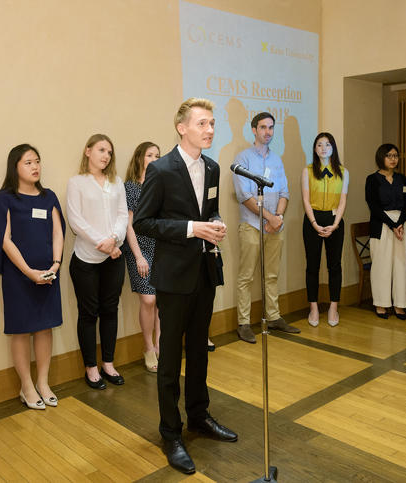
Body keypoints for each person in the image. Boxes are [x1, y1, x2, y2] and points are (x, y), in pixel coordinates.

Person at [134, 98, 237, 475]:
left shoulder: (212, 167)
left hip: (205, 272)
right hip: (174, 276)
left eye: (212, 124)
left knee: (199, 350)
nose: (210, 130)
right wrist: (192, 229)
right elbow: (143, 223)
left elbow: (209, 210)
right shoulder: (160, 169)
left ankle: (199, 416)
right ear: (182, 128)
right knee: (169, 359)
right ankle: (170, 432)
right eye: (202, 124)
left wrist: (216, 222)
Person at [0, 144, 65, 409]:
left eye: (37, 161)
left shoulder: (48, 196)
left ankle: (43, 382)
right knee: (21, 330)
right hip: (19, 276)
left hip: (48, 273)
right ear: (15, 167)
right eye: (28, 162)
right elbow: (5, 239)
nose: (35, 167)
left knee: (45, 327)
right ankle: (26, 386)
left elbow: (58, 232)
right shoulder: (5, 198)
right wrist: (28, 272)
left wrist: (55, 265)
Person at [67, 134, 128, 389]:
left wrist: (113, 240)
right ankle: (91, 367)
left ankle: (108, 364)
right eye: (101, 150)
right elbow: (75, 220)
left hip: (114, 257)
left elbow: (123, 215)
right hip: (86, 260)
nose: (106, 156)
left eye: (109, 152)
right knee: (88, 313)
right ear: (88, 151)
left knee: (110, 311)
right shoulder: (76, 183)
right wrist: (102, 243)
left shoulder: (116, 182)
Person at [232, 112, 299, 343]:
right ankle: (243, 323)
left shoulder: (277, 160)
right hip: (251, 226)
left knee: (271, 275)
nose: (267, 132)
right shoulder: (243, 158)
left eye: (271, 127)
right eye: (263, 127)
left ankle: (273, 317)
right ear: (254, 130)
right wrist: (270, 218)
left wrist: (277, 218)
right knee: (246, 277)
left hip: (274, 227)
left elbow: (284, 192)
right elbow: (245, 196)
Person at [301, 133, 349, 327]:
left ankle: (333, 307)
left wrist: (335, 224)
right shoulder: (307, 171)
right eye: (319, 145)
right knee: (312, 265)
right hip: (312, 220)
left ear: (333, 148)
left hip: (334, 220)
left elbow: (343, 201)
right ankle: (313, 308)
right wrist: (314, 223)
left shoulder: (343, 172)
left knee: (334, 265)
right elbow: (306, 200)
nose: (323, 148)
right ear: (315, 149)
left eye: (327, 145)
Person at [122, 141, 161, 372]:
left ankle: (159, 345)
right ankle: (148, 347)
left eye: (157, 156)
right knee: (148, 300)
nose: (154, 159)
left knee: (161, 300)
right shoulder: (130, 187)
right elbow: (128, 225)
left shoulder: (161, 185)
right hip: (139, 248)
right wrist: (138, 256)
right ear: (140, 158)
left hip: (161, 248)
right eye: (150, 155)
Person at [365, 143, 406, 320]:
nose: (393, 159)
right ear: (381, 157)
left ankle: (400, 304)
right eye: (389, 156)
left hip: (402, 225)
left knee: (401, 265)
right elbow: (373, 206)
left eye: (395, 156)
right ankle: (381, 303)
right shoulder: (372, 179)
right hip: (382, 225)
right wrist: (392, 225)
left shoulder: (403, 179)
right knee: (381, 265)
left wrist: (399, 223)